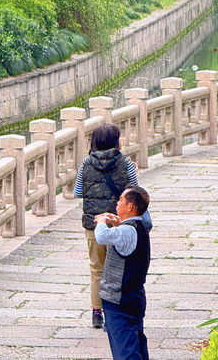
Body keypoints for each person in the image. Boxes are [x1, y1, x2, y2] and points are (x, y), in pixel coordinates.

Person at [74, 123, 138, 328]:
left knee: (97, 269)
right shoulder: (126, 163)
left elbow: (78, 192)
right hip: (119, 223)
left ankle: (96, 312)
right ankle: (114, 311)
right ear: (114, 141)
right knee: (119, 267)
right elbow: (134, 194)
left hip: (93, 222)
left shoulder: (86, 163)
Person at [94, 186, 152, 360]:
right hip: (134, 297)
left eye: (120, 200)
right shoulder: (140, 225)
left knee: (125, 351)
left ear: (130, 206)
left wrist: (102, 221)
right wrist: (117, 223)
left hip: (119, 300)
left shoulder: (127, 231)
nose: (117, 203)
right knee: (136, 346)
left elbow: (101, 237)